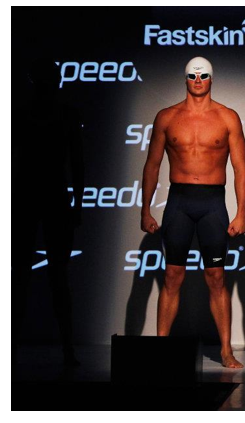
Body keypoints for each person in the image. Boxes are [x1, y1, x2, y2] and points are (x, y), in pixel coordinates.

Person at [140, 57, 245, 369]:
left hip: (213, 202)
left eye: (203, 75)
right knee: (172, 276)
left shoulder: (227, 117)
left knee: (216, 277)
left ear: (212, 79)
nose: (198, 80)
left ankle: (225, 350)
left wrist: (241, 212)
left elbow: (240, 168)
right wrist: (145, 209)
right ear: (185, 79)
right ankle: (161, 348)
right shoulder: (167, 117)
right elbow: (152, 165)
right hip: (179, 202)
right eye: (192, 75)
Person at [12, 58, 85, 366]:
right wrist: (77, 203)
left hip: (45, 198)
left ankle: (67, 348)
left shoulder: (61, 114)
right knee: (23, 277)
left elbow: (77, 161)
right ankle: (19, 349)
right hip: (31, 198)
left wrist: (77, 203)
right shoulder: (21, 114)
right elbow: (77, 162)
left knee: (53, 276)